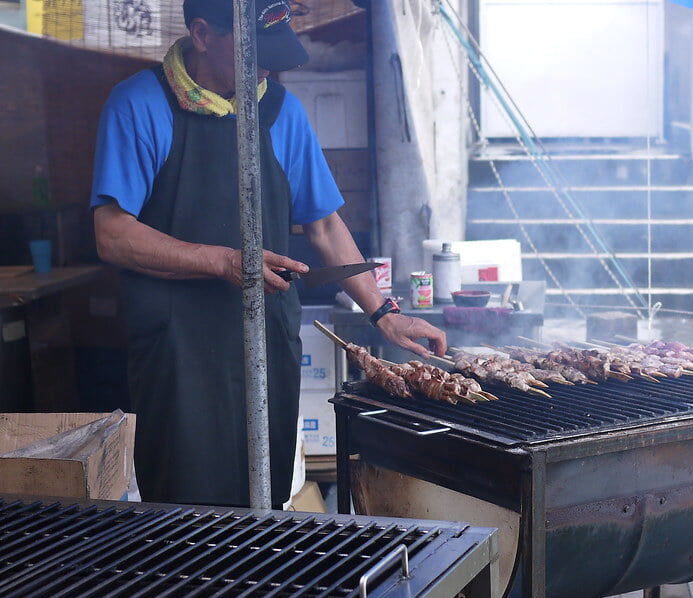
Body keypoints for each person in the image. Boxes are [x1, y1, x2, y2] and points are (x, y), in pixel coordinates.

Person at [90, 0, 446, 509]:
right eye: (253, 54)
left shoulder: (282, 110)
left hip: (265, 342)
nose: (267, 69)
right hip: (180, 351)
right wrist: (224, 261)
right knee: (185, 504)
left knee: (268, 500)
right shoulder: (139, 104)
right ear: (202, 33)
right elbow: (112, 234)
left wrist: (384, 313)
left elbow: (322, 224)